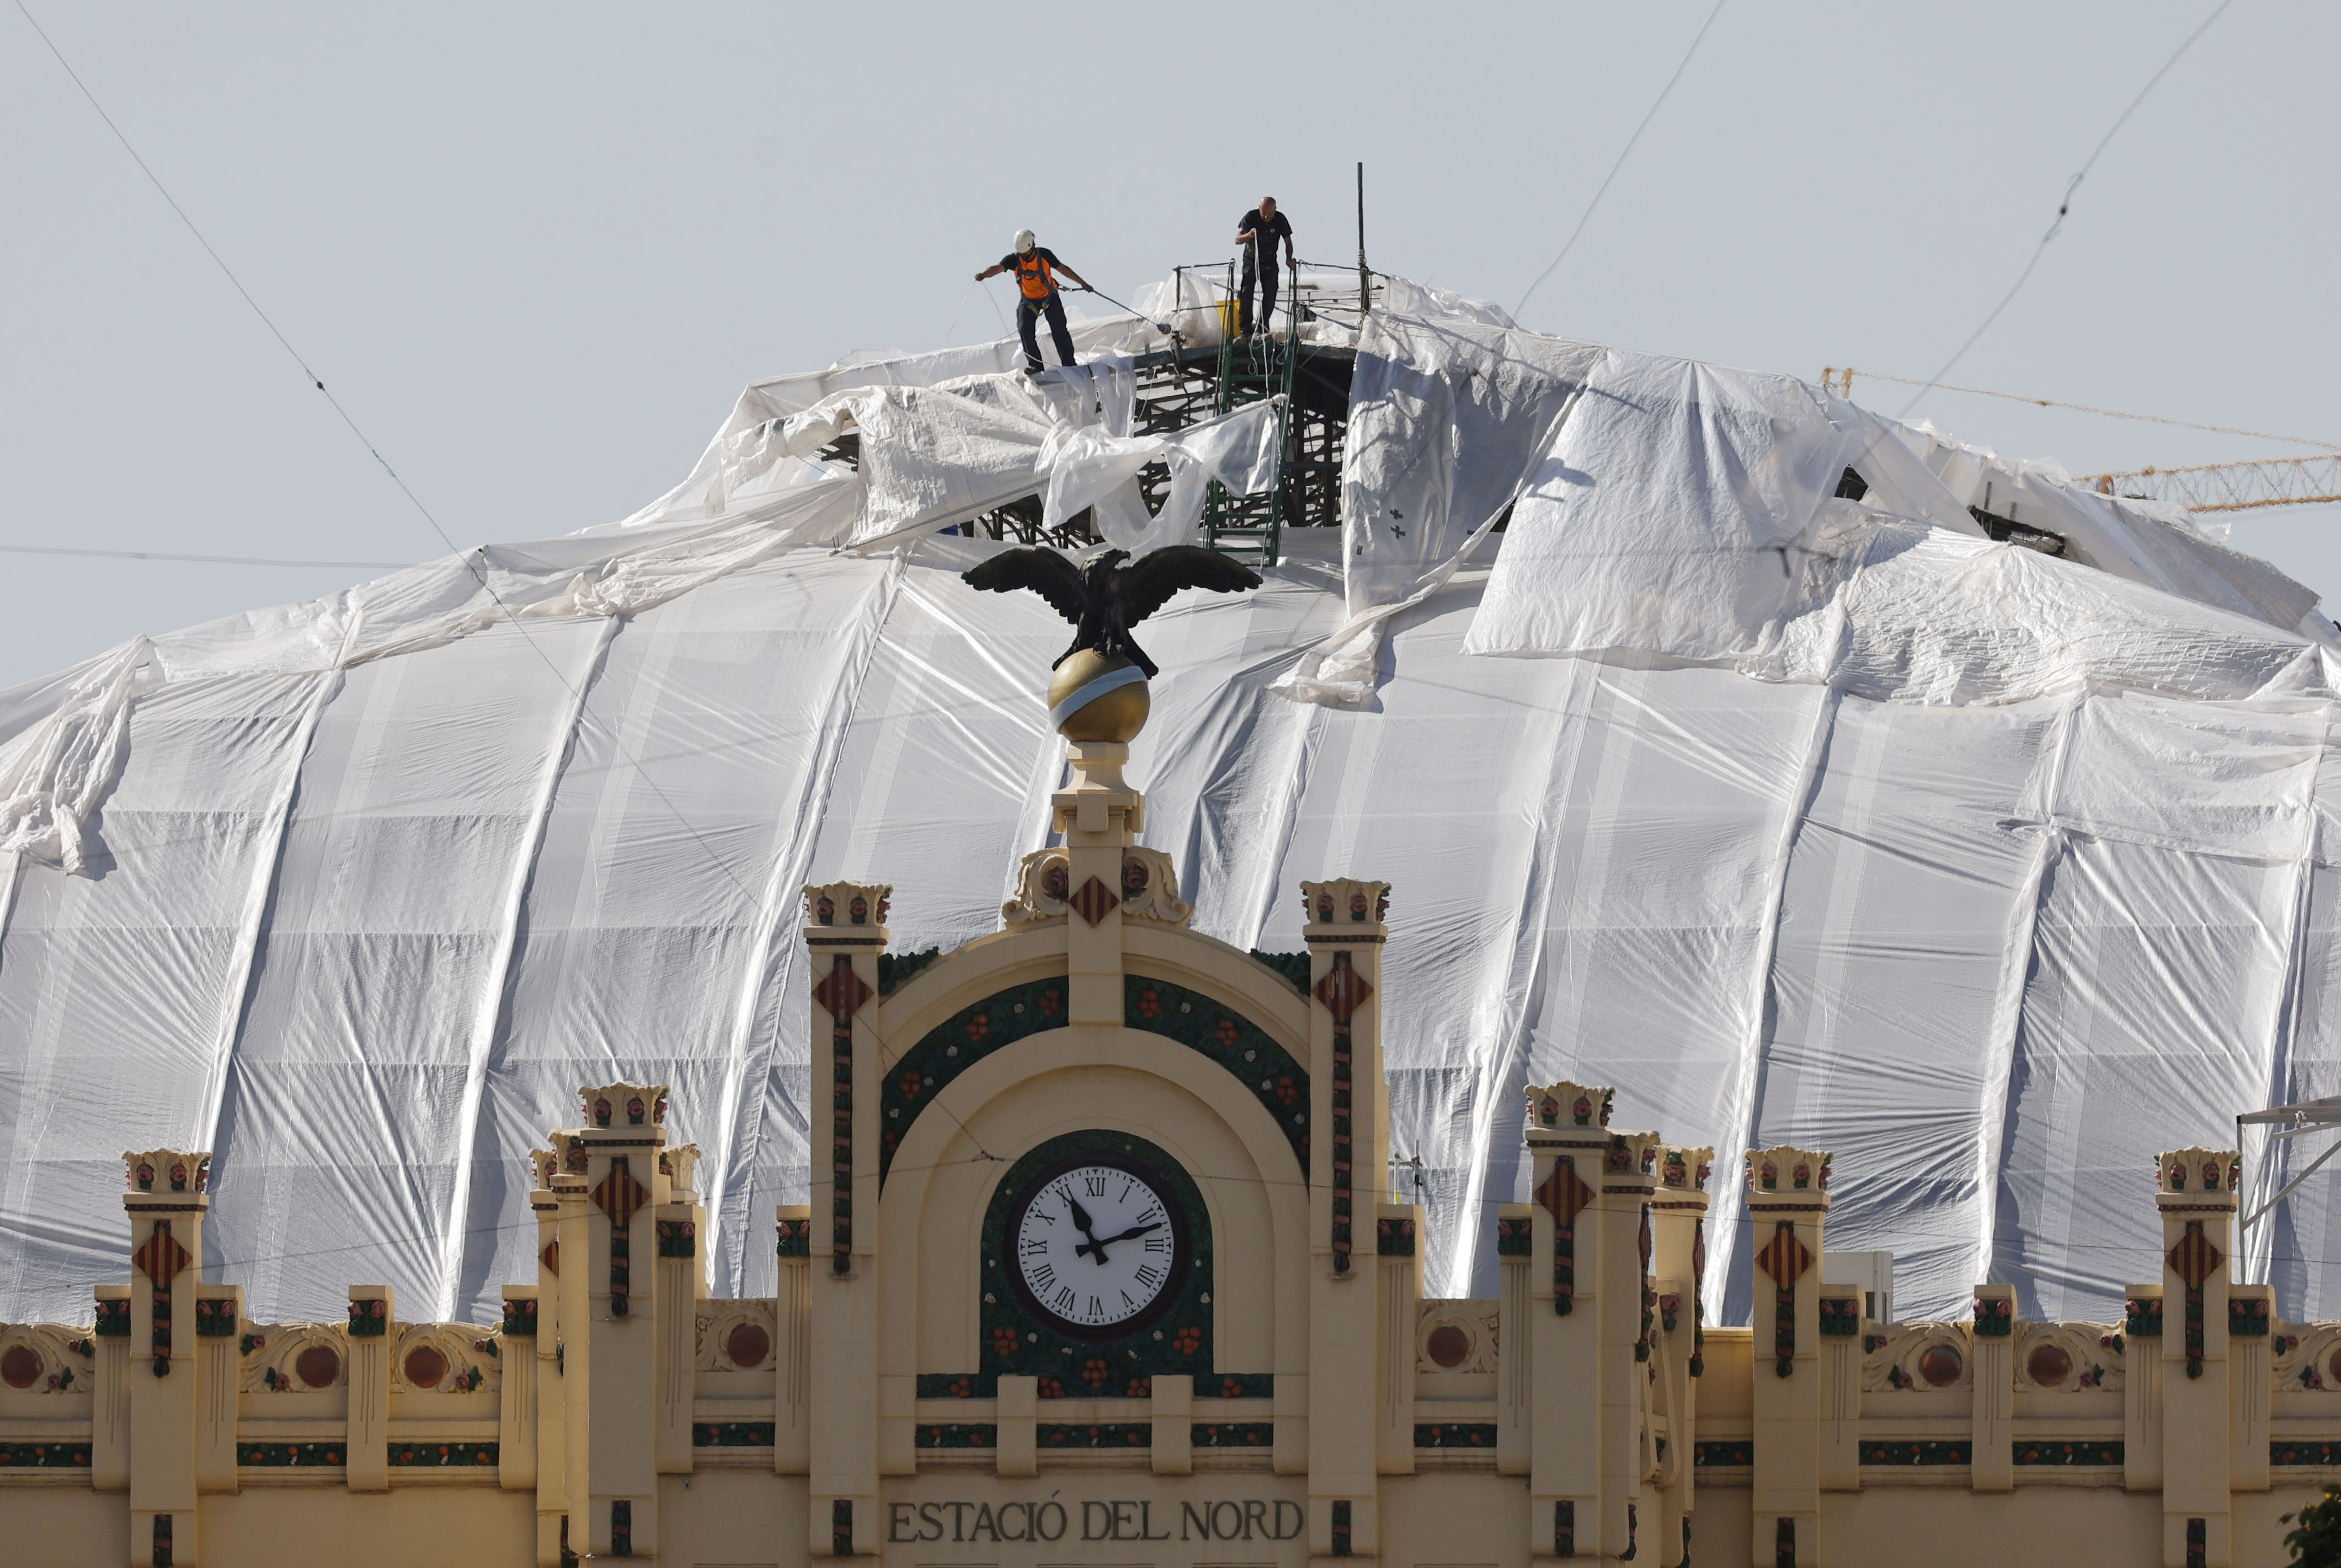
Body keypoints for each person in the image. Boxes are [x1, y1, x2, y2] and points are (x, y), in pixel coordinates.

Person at [975, 230, 1093, 374]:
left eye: (1026, 254)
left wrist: (1083, 284)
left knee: (1059, 330)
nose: (1024, 256)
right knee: (1024, 329)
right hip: (1028, 301)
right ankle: (1036, 367)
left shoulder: (1045, 255)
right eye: (1022, 254)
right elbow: (998, 268)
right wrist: (984, 275)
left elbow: (1063, 269)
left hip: (1049, 298)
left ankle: (1070, 365)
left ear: (1033, 246)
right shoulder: (1014, 259)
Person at [1234, 197, 1294, 339]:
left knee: (1271, 294)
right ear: (1259, 209)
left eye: (1270, 215)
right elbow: (1237, 240)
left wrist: (1289, 258)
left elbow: (1288, 242)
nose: (1267, 217)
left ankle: (1263, 326)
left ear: (1275, 209)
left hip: (1270, 262)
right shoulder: (1251, 217)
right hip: (1251, 261)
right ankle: (1246, 330)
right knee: (1246, 292)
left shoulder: (1280, 219)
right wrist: (1249, 235)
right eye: (1264, 214)